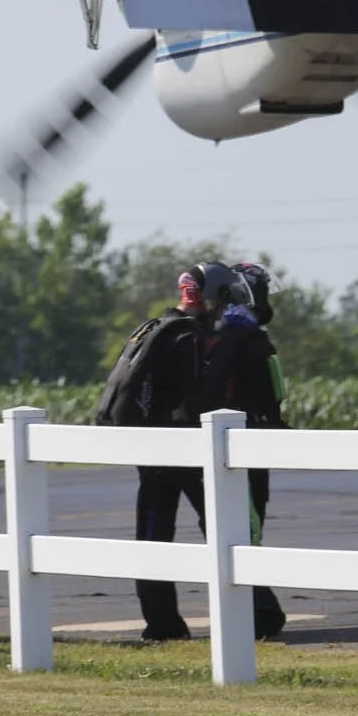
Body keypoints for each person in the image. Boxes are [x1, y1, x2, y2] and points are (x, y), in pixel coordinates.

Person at [110, 265, 223, 642]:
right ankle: (252, 609)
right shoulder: (188, 336)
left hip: (148, 445)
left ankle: (160, 621)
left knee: (153, 531)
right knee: (222, 521)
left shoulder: (155, 327)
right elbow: (190, 399)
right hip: (177, 448)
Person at [201, 261, 289, 641]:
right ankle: (261, 614)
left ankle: (254, 611)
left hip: (225, 444)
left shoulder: (219, 336)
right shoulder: (249, 341)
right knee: (248, 527)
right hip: (247, 444)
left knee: (235, 526)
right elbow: (272, 396)